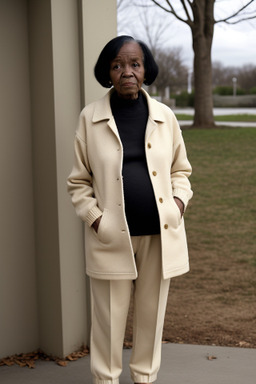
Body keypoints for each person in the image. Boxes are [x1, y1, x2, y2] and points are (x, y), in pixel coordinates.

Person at [67, 35, 193, 384]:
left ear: (145, 69)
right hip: (111, 237)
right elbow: (79, 182)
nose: (127, 72)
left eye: (134, 64)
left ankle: (145, 377)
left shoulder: (165, 117)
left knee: (152, 315)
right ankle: (106, 379)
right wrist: (97, 221)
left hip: (159, 234)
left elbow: (181, 171)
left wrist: (177, 205)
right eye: (117, 65)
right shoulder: (90, 118)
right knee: (108, 317)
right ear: (108, 72)